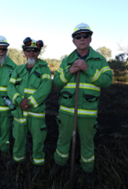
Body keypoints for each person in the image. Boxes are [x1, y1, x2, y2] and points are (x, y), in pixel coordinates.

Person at [51, 23, 113, 180]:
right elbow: (57, 82)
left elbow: (106, 81)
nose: (82, 39)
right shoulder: (66, 61)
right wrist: (70, 71)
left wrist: (87, 68)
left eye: (85, 36)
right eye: (78, 37)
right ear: (74, 41)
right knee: (63, 140)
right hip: (66, 112)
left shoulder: (99, 60)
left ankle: (87, 171)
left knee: (87, 143)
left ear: (90, 39)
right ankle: (59, 164)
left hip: (87, 113)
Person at [6, 37, 52, 176]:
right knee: (18, 137)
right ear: (23, 52)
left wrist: (30, 102)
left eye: (35, 51)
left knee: (38, 139)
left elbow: (45, 88)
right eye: (28, 50)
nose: (31, 53)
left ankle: (38, 163)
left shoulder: (44, 69)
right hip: (19, 112)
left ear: (38, 53)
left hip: (36, 112)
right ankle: (18, 160)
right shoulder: (18, 70)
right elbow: (10, 87)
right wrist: (19, 100)